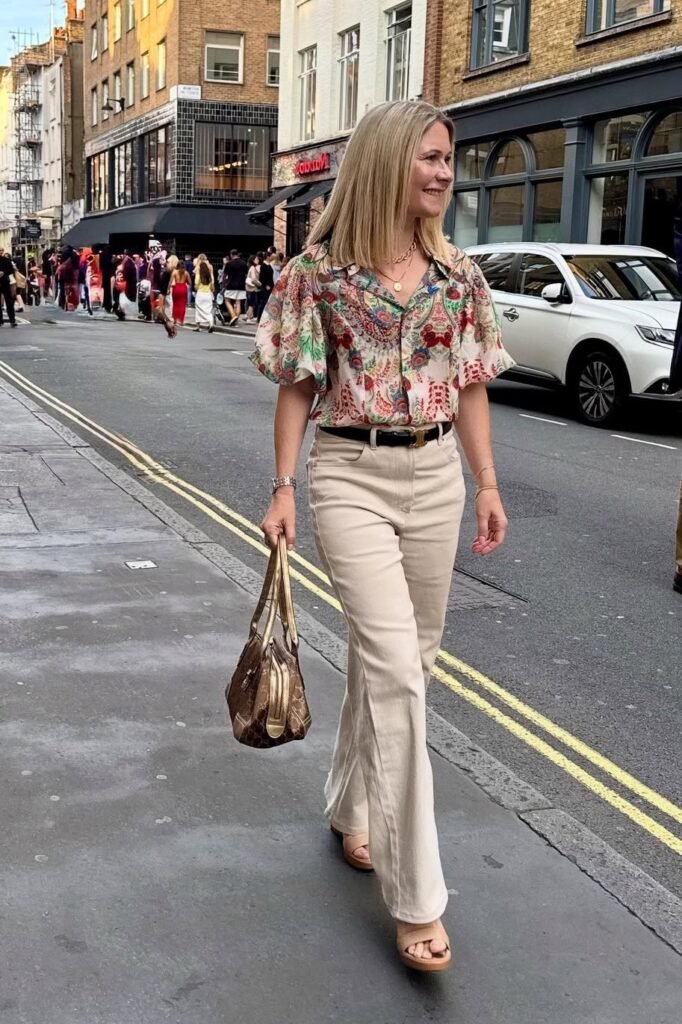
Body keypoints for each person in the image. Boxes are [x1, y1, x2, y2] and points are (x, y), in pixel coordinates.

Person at [253, 100, 513, 973]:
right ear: (386, 160)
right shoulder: (317, 274)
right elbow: (297, 384)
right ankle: (416, 898)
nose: (444, 172)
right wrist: (282, 488)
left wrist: (486, 483)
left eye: (448, 158)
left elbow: (470, 382)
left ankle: (350, 804)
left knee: (406, 661)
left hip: (436, 476)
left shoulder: (458, 275)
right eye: (429, 157)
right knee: (398, 670)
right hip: (349, 473)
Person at [222, 248, 247, 325]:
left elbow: (225, 275)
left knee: (227, 300)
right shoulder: (244, 263)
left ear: (231, 255)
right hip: (241, 285)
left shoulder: (229, 264)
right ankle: (236, 319)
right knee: (238, 302)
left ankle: (233, 316)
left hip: (231, 285)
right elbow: (245, 274)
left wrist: (224, 284)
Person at [193, 255, 215, 332]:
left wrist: (196, 287)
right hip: (208, 294)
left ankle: (198, 326)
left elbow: (196, 283)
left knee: (198, 310)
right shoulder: (209, 276)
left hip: (200, 294)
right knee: (208, 310)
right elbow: (212, 283)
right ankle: (211, 323)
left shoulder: (199, 274)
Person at [0, 246, 17, 326]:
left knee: (9, 302)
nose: (1, 252)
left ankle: (12, 320)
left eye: (1, 250)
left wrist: (4, 272)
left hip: (5, 282)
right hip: (4, 282)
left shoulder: (6, 260)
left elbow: (11, 270)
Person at [256, 250, 274, 321]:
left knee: (268, 302)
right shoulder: (263, 266)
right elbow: (261, 278)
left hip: (270, 286)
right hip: (265, 287)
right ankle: (259, 317)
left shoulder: (269, 265)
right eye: (271, 256)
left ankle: (266, 317)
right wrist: (266, 285)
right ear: (267, 257)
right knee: (263, 302)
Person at [244, 255, 261, 324]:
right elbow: (253, 279)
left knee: (250, 302)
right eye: (256, 259)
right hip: (252, 288)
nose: (258, 260)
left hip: (249, 288)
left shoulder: (251, 267)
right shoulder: (253, 268)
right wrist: (260, 284)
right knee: (252, 303)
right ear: (253, 260)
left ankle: (248, 316)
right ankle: (249, 318)